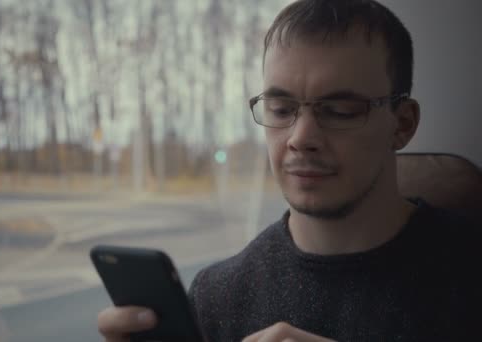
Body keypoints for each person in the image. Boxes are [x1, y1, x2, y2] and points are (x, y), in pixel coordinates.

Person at [97, 0, 480, 340]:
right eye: (281, 110)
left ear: (403, 124)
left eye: (339, 110)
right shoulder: (215, 297)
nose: (300, 137)